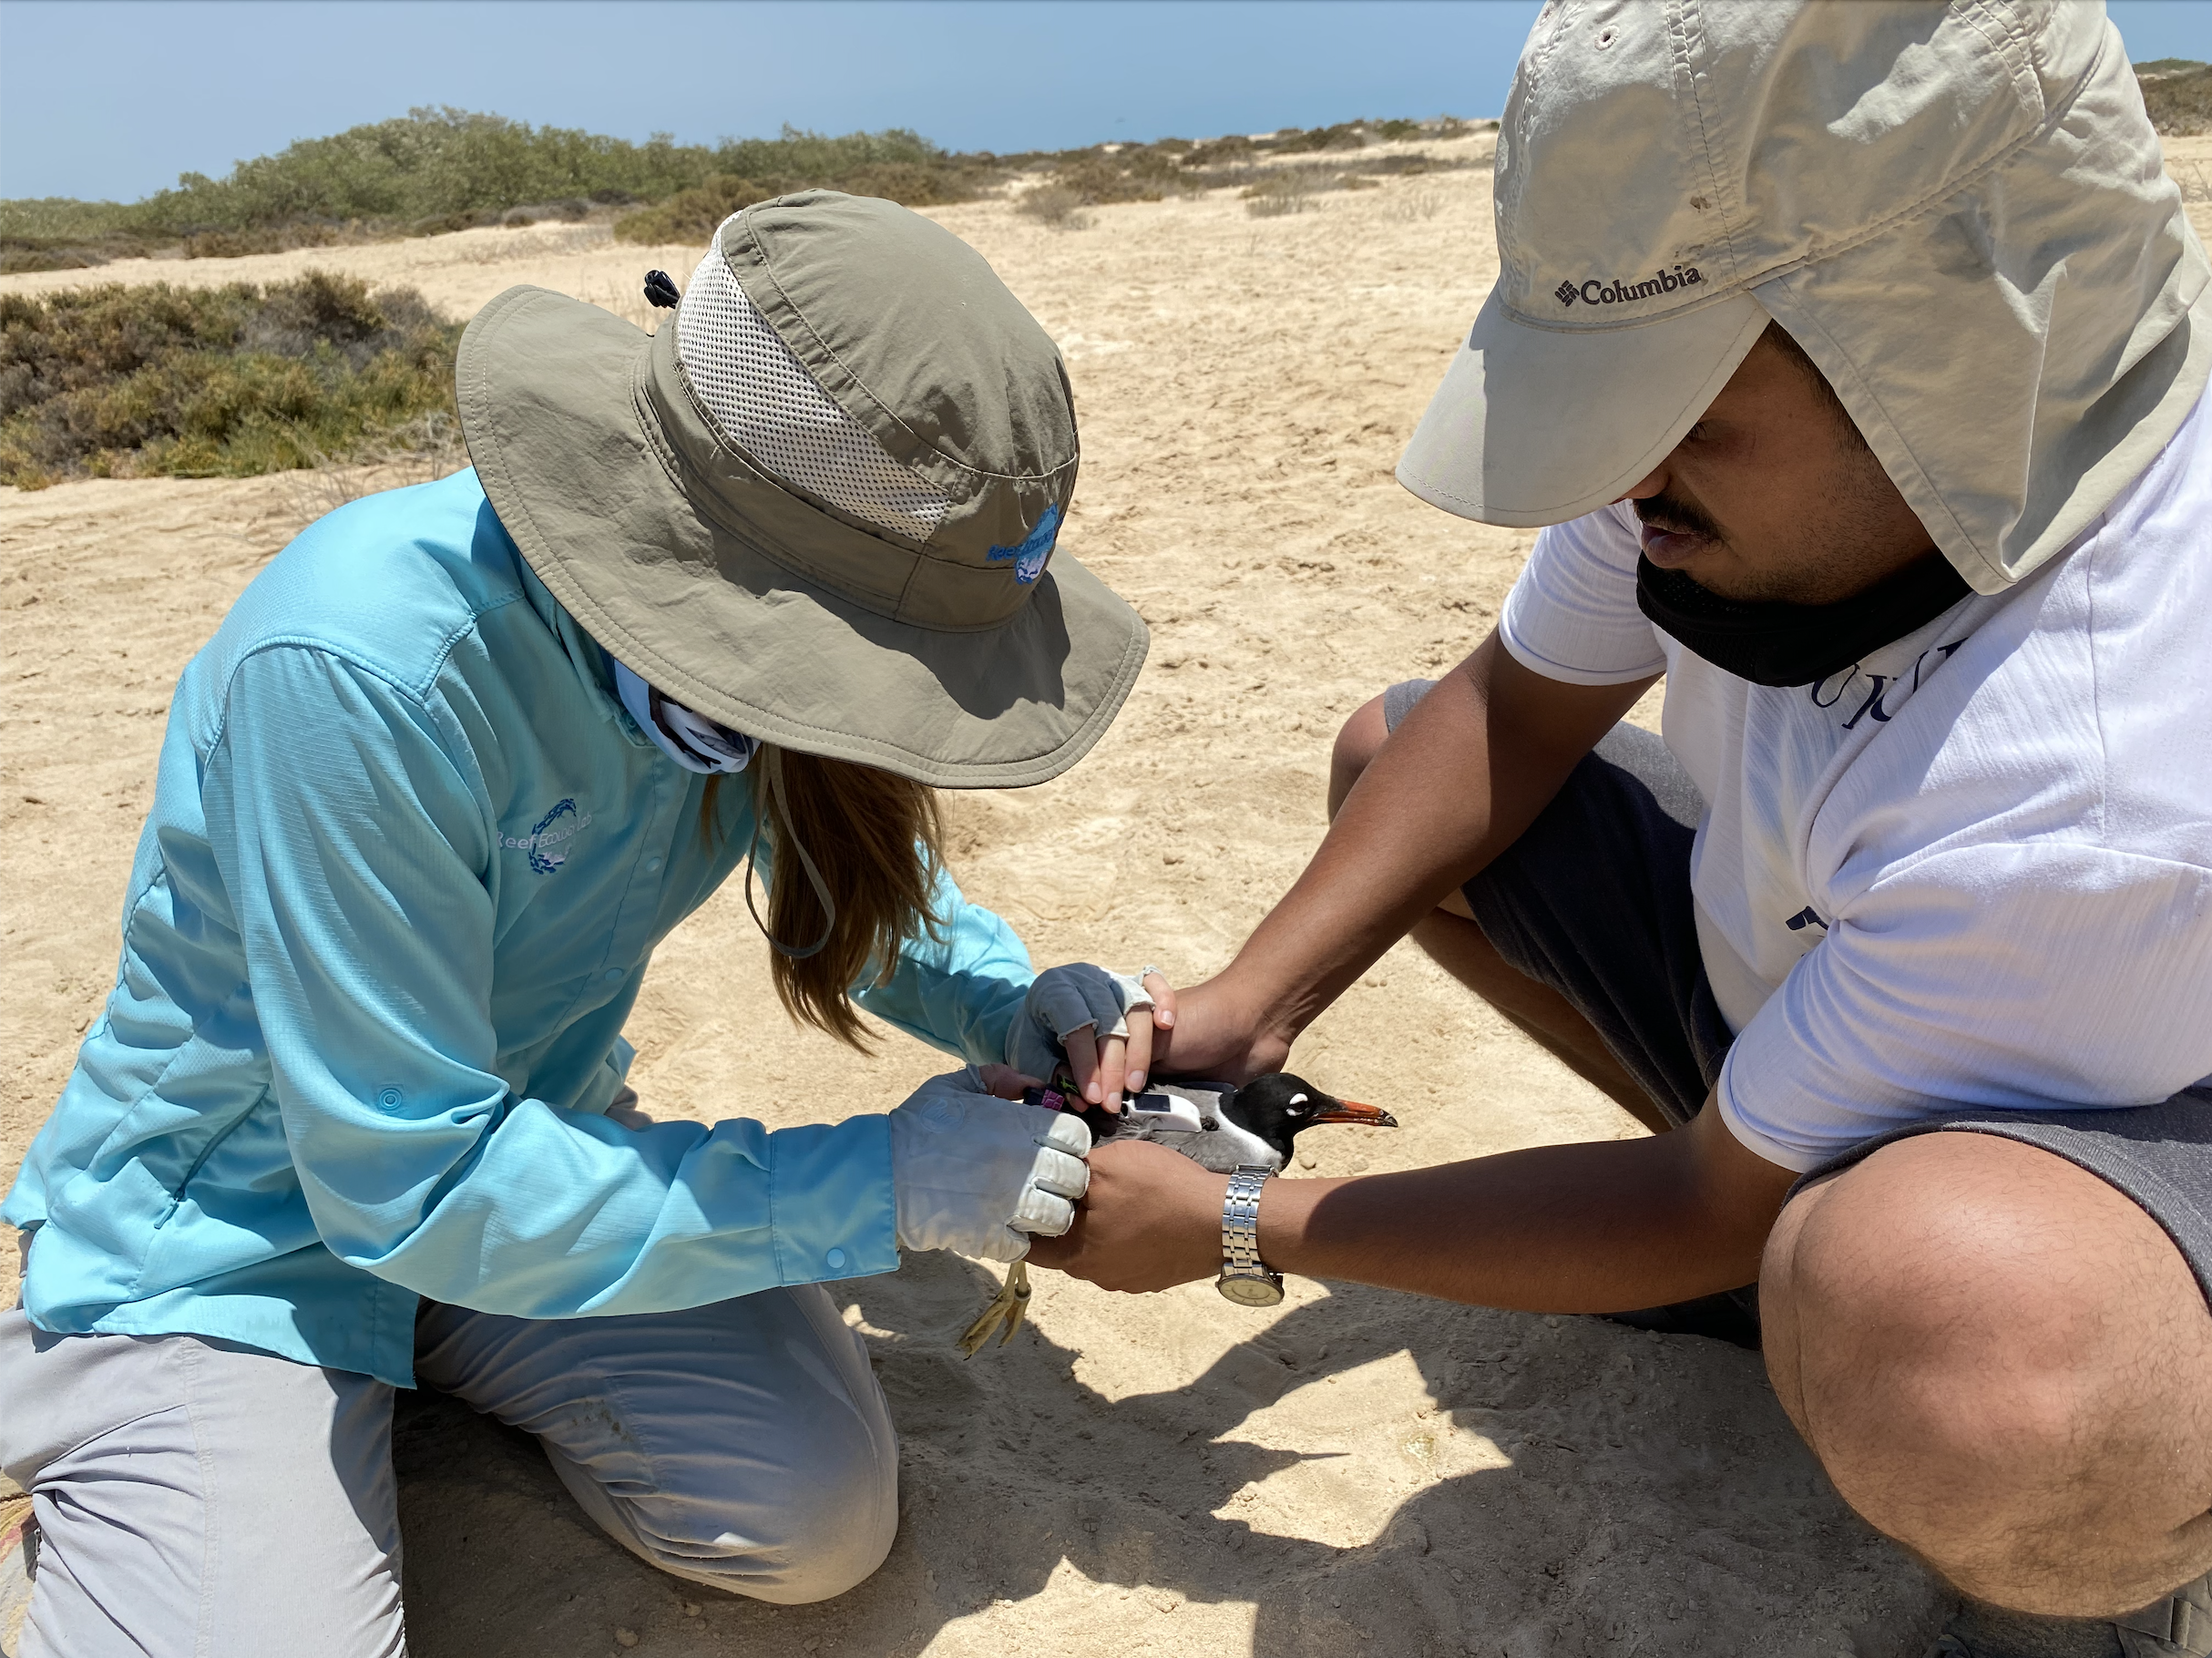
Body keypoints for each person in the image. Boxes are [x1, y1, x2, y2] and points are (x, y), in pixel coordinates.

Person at [1032, 2, 2212, 1645]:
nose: (1628, 474)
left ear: (1942, 354)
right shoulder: (1752, 438)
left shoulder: (2104, 773)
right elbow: (1512, 709)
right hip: (1816, 988)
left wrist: (1239, 1220)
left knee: (1948, 1320)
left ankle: (2119, 1544)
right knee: (1399, 767)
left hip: (2132, 1122)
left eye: (1677, 414)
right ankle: (1781, 1276)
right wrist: (1251, 1005)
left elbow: (1698, 1201)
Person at [0, 192, 1164, 1655]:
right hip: (234, 1238)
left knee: (811, 1519)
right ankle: (133, 1452)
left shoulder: (725, 675)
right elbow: (405, 1181)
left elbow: (841, 873)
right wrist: (887, 1178)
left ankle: (402, 1398)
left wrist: (1015, 1001)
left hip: (528, 1146)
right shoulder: (364, 670)